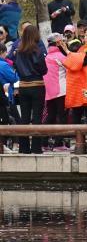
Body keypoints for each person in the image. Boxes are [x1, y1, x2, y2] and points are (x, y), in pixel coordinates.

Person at [13, 24, 47, 154]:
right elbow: (43, 70)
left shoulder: (19, 51)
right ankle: (36, 148)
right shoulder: (37, 51)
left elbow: (16, 66)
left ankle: (24, 148)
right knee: (37, 116)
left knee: (24, 117)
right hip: (37, 85)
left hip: (23, 86)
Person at [63, 28, 87, 124]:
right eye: (84, 35)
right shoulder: (82, 49)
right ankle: (79, 139)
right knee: (77, 113)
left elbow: (81, 61)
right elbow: (77, 60)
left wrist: (68, 52)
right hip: (79, 86)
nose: (85, 37)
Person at [41, 33, 69, 150]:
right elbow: (70, 69)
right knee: (61, 116)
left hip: (49, 92)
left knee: (50, 116)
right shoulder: (61, 57)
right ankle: (58, 143)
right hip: (61, 90)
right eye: (62, 41)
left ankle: (44, 143)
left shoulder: (46, 57)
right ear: (58, 43)